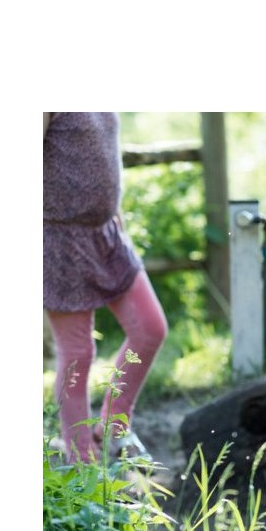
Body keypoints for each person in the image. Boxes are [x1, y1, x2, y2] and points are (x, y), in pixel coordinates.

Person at [43, 112, 169, 465]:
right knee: (78, 354)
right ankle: (82, 463)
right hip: (58, 239)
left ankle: (113, 428)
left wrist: (119, 221)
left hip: (108, 232)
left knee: (150, 327)